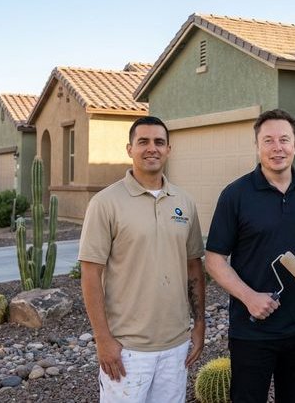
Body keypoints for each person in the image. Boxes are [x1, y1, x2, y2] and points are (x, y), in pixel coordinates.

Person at [204, 108, 295, 403]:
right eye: (269, 140)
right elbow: (214, 259)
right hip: (252, 332)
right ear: (257, 146)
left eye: (284, 140)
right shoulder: (235, 195)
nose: (278, 148)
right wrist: (249, 297)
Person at [79, 116, 205, 403]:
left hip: (175, 345)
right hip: (127, 349)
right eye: (143, 142)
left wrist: (198, 325)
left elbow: (193, 267)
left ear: (169, 149)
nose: (152, 148)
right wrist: (103, 339)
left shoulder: (184, 202)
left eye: (159, 142)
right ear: (129, 149)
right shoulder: (105, 202)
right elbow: (90, 274)